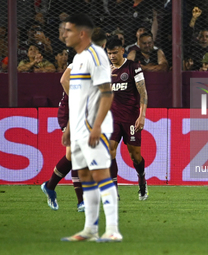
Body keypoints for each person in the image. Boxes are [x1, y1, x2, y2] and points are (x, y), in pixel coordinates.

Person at [60, 13, 122, 242]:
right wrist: (69, 126)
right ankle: (90, 229)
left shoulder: (96, 57)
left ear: (82, 33)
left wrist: (96, 126)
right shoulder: (78, 59)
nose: (64, 34)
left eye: (68, 30)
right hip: (77, 128)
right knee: (85, 175)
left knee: (100, 174)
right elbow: (78, 96)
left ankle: (113, 229)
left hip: (93, 128)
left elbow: (107, 93)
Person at [41, 27, 109, 212]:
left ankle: (51, 186)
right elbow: (64, 80)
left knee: (74, 155)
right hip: (71, 111)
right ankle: (80, 201)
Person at [106, 37, 149, 200]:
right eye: (109, 53)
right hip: (111, 119)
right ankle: (113, 191)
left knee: (135, 156)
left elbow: (143, 92)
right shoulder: (105, 70)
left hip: (131, 118)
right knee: (109, 151)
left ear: (122, 50)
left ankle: (142, 179)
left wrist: (142, 115)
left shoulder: (133, 67)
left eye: (114, 53)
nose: (112, 56)